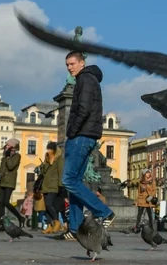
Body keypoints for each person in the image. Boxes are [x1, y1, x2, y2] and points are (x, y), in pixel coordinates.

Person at [58, 51, 116, 241]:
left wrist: (72, 132)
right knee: (75, 181)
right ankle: (74, 229)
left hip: (81, 135)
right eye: (67, 64)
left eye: (72, 63)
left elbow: (83, 109)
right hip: (86, 134)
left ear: (82, 63)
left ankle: (104, 212)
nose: (69, 67)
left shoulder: (85, 79)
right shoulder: (89, 79)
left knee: (68, 180)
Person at [0, 138, 26, 227]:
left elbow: (10, 166)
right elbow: (2, 168)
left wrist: (8, 157)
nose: (6, 146)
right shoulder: (5, 156)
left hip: (9, 182)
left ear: (13, 146)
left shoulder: (17, 156)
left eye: (8, 145)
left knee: (6, 202)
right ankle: (1, 224)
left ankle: (19, 217)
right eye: (6, 145)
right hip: (2, 182)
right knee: (1, 203)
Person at [41, 142, 66, 234]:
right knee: (46, 207)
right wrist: (44, 164)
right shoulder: (47, 158)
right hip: (46, 185)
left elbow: (61, 172)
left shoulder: (59, 159)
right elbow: (44, 172)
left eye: (49, 149)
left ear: (54, 150)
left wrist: (61, 185)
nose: (48, 151)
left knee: (49, 204)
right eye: (47, 149)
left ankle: (57, 221)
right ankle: (49, 225)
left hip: (54, 185)